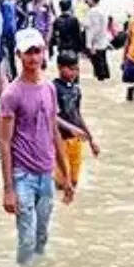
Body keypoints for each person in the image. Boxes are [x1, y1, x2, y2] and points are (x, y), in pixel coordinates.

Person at [0, 28, 74, 266]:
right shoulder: (11, 94)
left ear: (44, 53)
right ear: (18, 55)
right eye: (28, 52)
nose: (33, 58)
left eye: (37, 51)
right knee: (27, 239)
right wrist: (8, 189)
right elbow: (4, 141)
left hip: (46, 172)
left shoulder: (49, 88)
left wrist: (67, 174)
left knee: (42, 235)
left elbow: (53, 131)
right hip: (23, 175)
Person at [51, 51, 98, 190]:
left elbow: (77, 114)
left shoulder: (76, 90)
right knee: (61, 181)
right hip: (60, 140)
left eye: (76, 69)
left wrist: (91, 140)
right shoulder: (53, 88)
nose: (74, 72)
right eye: (70, 69)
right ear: (60, 67)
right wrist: (69, 127)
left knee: (74, 180)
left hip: (76, 141)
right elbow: (50, 115)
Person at [83, 0, 111, 81]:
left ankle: (101, 79)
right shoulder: (102, 9)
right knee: (103, 62)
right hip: (102, 40)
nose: (86, 0)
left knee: (98, 66)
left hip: (96, 42)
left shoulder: (93, 12)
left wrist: (92, 44)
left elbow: (95, 29)